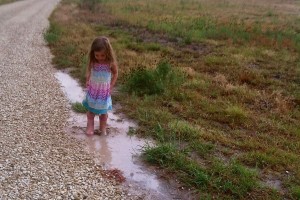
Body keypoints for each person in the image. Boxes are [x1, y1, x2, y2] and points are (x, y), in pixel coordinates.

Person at [82, 36, 118, 135]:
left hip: (104, 92)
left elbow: (115, 73)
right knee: (91, 111)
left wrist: (111, 86)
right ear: (93, 53)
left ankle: (103, 128)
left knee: (103, 112)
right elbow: (89, 71)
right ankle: (90, 126)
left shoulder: (110, 63)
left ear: (108, 53)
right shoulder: (93, 61)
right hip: (93, 90)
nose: (100, 58)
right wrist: (87, 79)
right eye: (97, 55)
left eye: (102, 55)